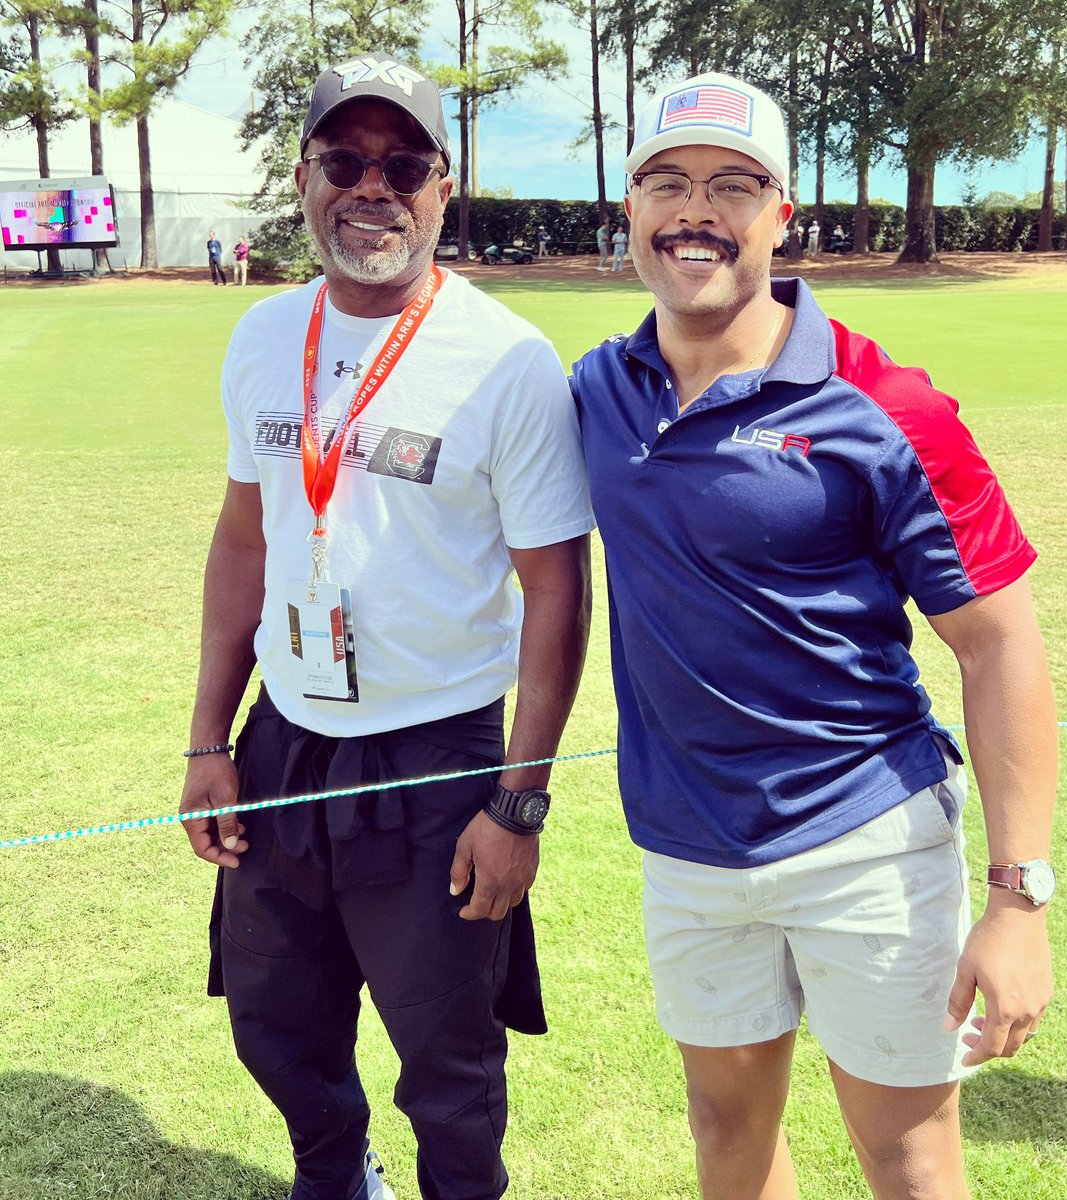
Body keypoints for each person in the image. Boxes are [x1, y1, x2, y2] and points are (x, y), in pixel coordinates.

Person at [571, 70, 1056, 1200]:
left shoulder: (890, 405)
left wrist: (1019, 901)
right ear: (630, 207)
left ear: (783, 216)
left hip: (866, 842)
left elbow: (1000, 642)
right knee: (725, 1133)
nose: (697, 209)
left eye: (733, 185)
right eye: (668, 181)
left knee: (908, 1154)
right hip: (688, 849)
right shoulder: (598, 388)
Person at [180, 53, 594, 1200]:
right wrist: (211, 738)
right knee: (275, 1020)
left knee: (447, 1059)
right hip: (283, 741)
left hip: (438, 757)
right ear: (305, 177)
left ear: (442, 188)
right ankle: (333, 1173)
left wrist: (517, 801)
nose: (374, 188)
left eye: (403, 164)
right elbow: (246, 542)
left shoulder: (507, 359)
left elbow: (559, 589)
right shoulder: (262, 333)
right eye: (344, 162)